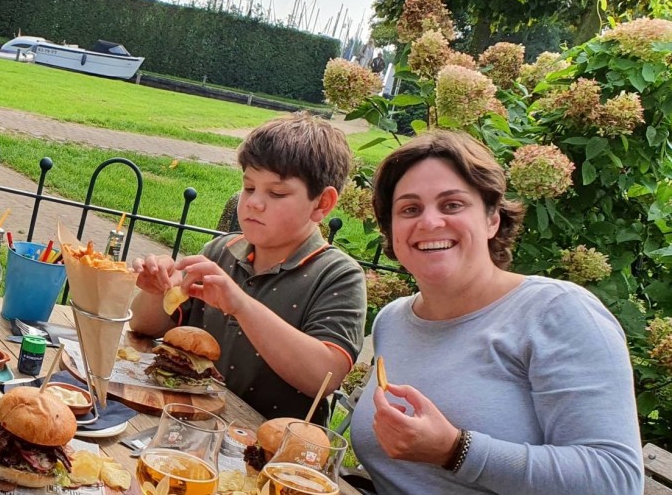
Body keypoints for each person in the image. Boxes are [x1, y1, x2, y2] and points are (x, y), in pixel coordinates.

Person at [350, 131, 643, 494]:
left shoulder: (557, 312)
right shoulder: (393, 321)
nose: (429, 223)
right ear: (392, 230)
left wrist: (455, 450)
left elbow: (615, 479)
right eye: (410, 209)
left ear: (492, 219)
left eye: (452, 205)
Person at [129, 113, 366, 425]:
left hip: (271, 454)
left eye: (276, 193)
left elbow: (325, 377)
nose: (254, 202)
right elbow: (146, 327)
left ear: (322, 203)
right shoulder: (220, 251)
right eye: (249, 187)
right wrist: (154, 290)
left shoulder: (338, 275)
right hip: (188, 425)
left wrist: (240, 304)